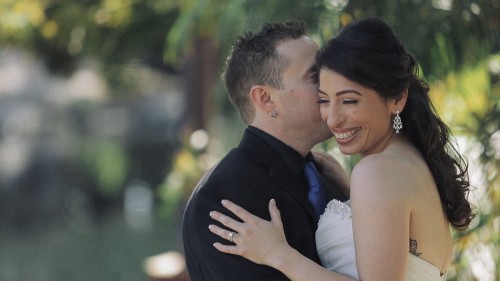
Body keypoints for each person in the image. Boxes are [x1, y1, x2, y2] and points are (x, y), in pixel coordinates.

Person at [208, 17, 475, 281]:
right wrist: (350, 195)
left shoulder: (376, 172)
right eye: (324, 100)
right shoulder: (409, 162)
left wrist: (279, 255)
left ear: (397, 98)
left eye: (349, 100)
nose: (333, 119)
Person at [182, 20, 350, 281]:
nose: (331, 85)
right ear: (266, 99)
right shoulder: (222, 198)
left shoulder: (327, 176)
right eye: (314, 75)